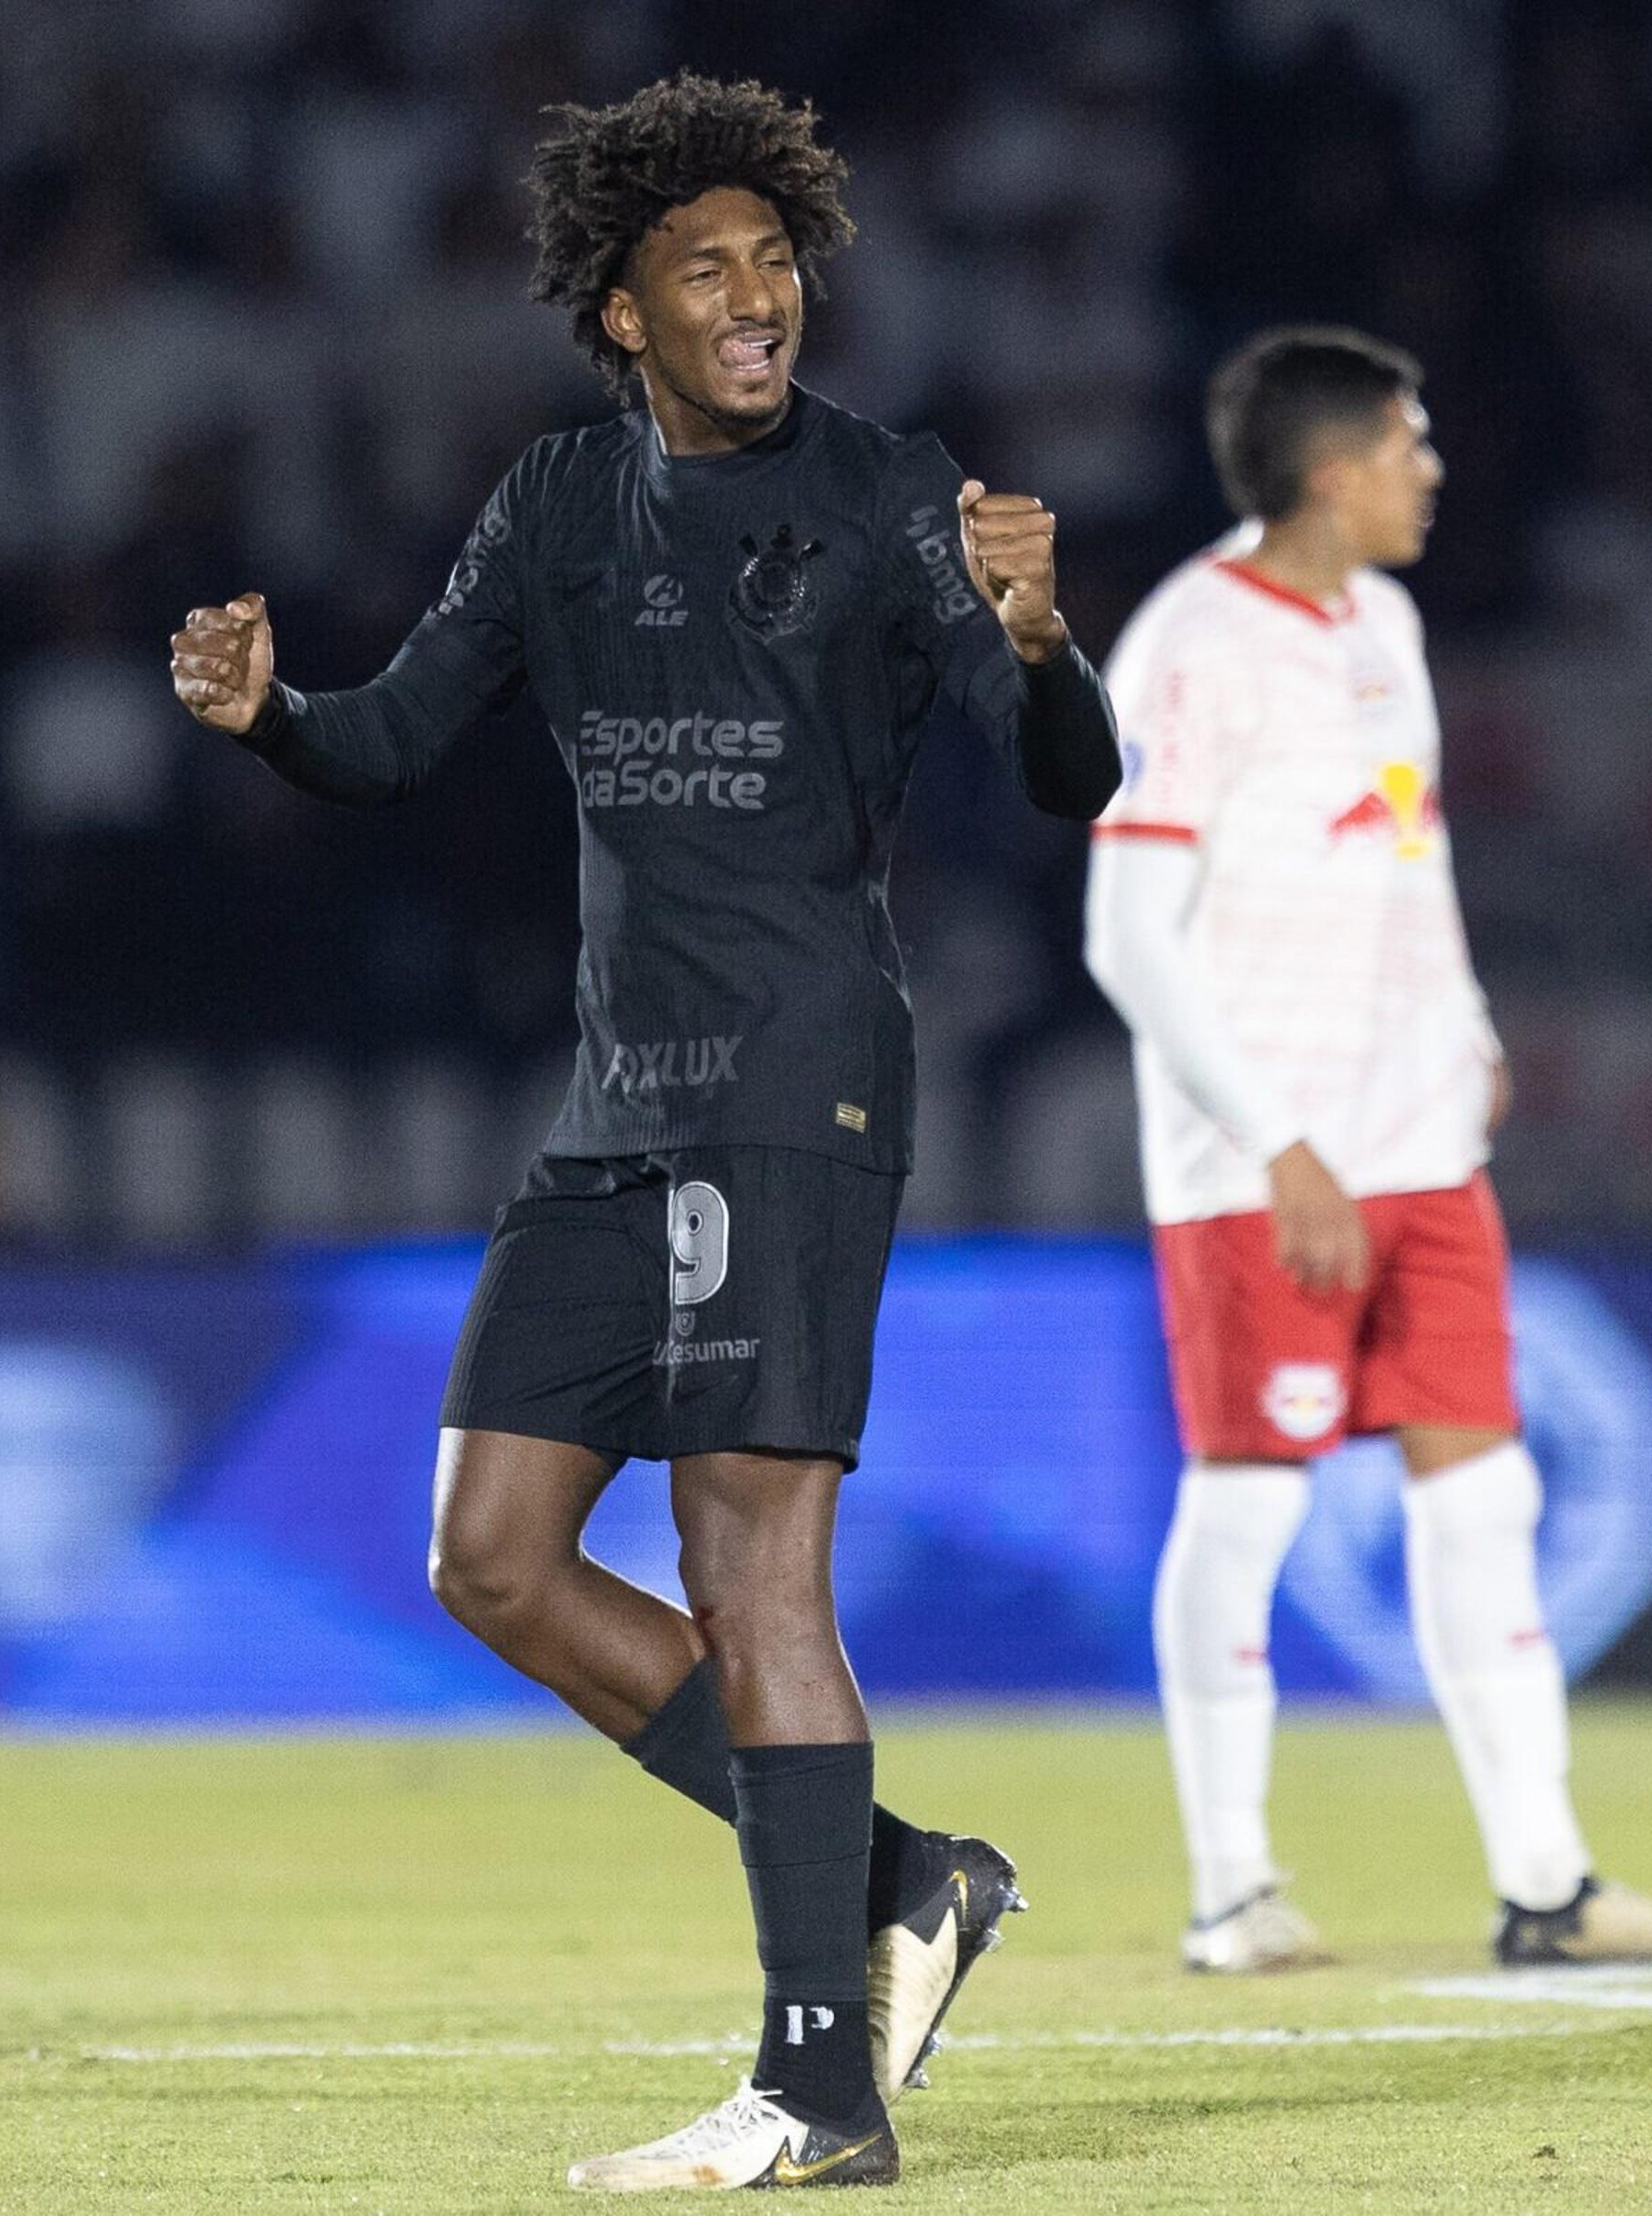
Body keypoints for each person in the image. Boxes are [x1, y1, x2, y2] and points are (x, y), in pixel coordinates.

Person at [168, 75, 1118, 2193]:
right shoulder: (552, 509)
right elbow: (398, 737)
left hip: (794, 1072)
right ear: (621, 311)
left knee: (744, 1551)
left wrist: (1042, 635)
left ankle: (816, 2083)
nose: (756, 294)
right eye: (707, 267)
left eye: (776, 261)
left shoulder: (887, 494)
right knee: (487, 1552)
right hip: (616, 1102)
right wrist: (273, 722)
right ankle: (899, 1879)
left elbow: (1059, 768)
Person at [1084, 328, 1652, 1976]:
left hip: (1420, 1145)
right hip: (1262, 1165)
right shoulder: (1188, 652)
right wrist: (1278, 1142)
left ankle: (1548, 1884)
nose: (1433, 473)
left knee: (1485, 1496)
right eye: (1412, 446)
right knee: (1253, 1508)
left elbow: (1408, 852)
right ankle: (1230, 1891)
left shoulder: (1389, 626)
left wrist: (1472, 1025)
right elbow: (1126, 936)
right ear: (1334, 470)